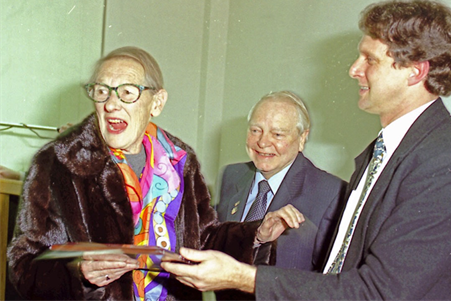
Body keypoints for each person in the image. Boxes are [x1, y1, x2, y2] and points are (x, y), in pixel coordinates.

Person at [161, 0, 451, 301]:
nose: (354, 69)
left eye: (370, 60)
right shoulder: (386, 152)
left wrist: (243, 277)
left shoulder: (449, 164)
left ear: (415, 71)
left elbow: (380, 292)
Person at [7, 46, 304, 301]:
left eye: (127, 93)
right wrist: (78, 271)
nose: (111, 104)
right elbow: (23, 265)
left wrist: (256, 234)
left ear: (157, 102)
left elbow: (202, 239)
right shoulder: (58, 162)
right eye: (101, 92)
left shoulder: (180, 161)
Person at [216, 91, 345, 271]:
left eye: (277, 134)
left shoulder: (332, 193)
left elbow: (329, 279)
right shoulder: (232, 175)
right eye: (255, 131)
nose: (262, 142)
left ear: (302, 138)